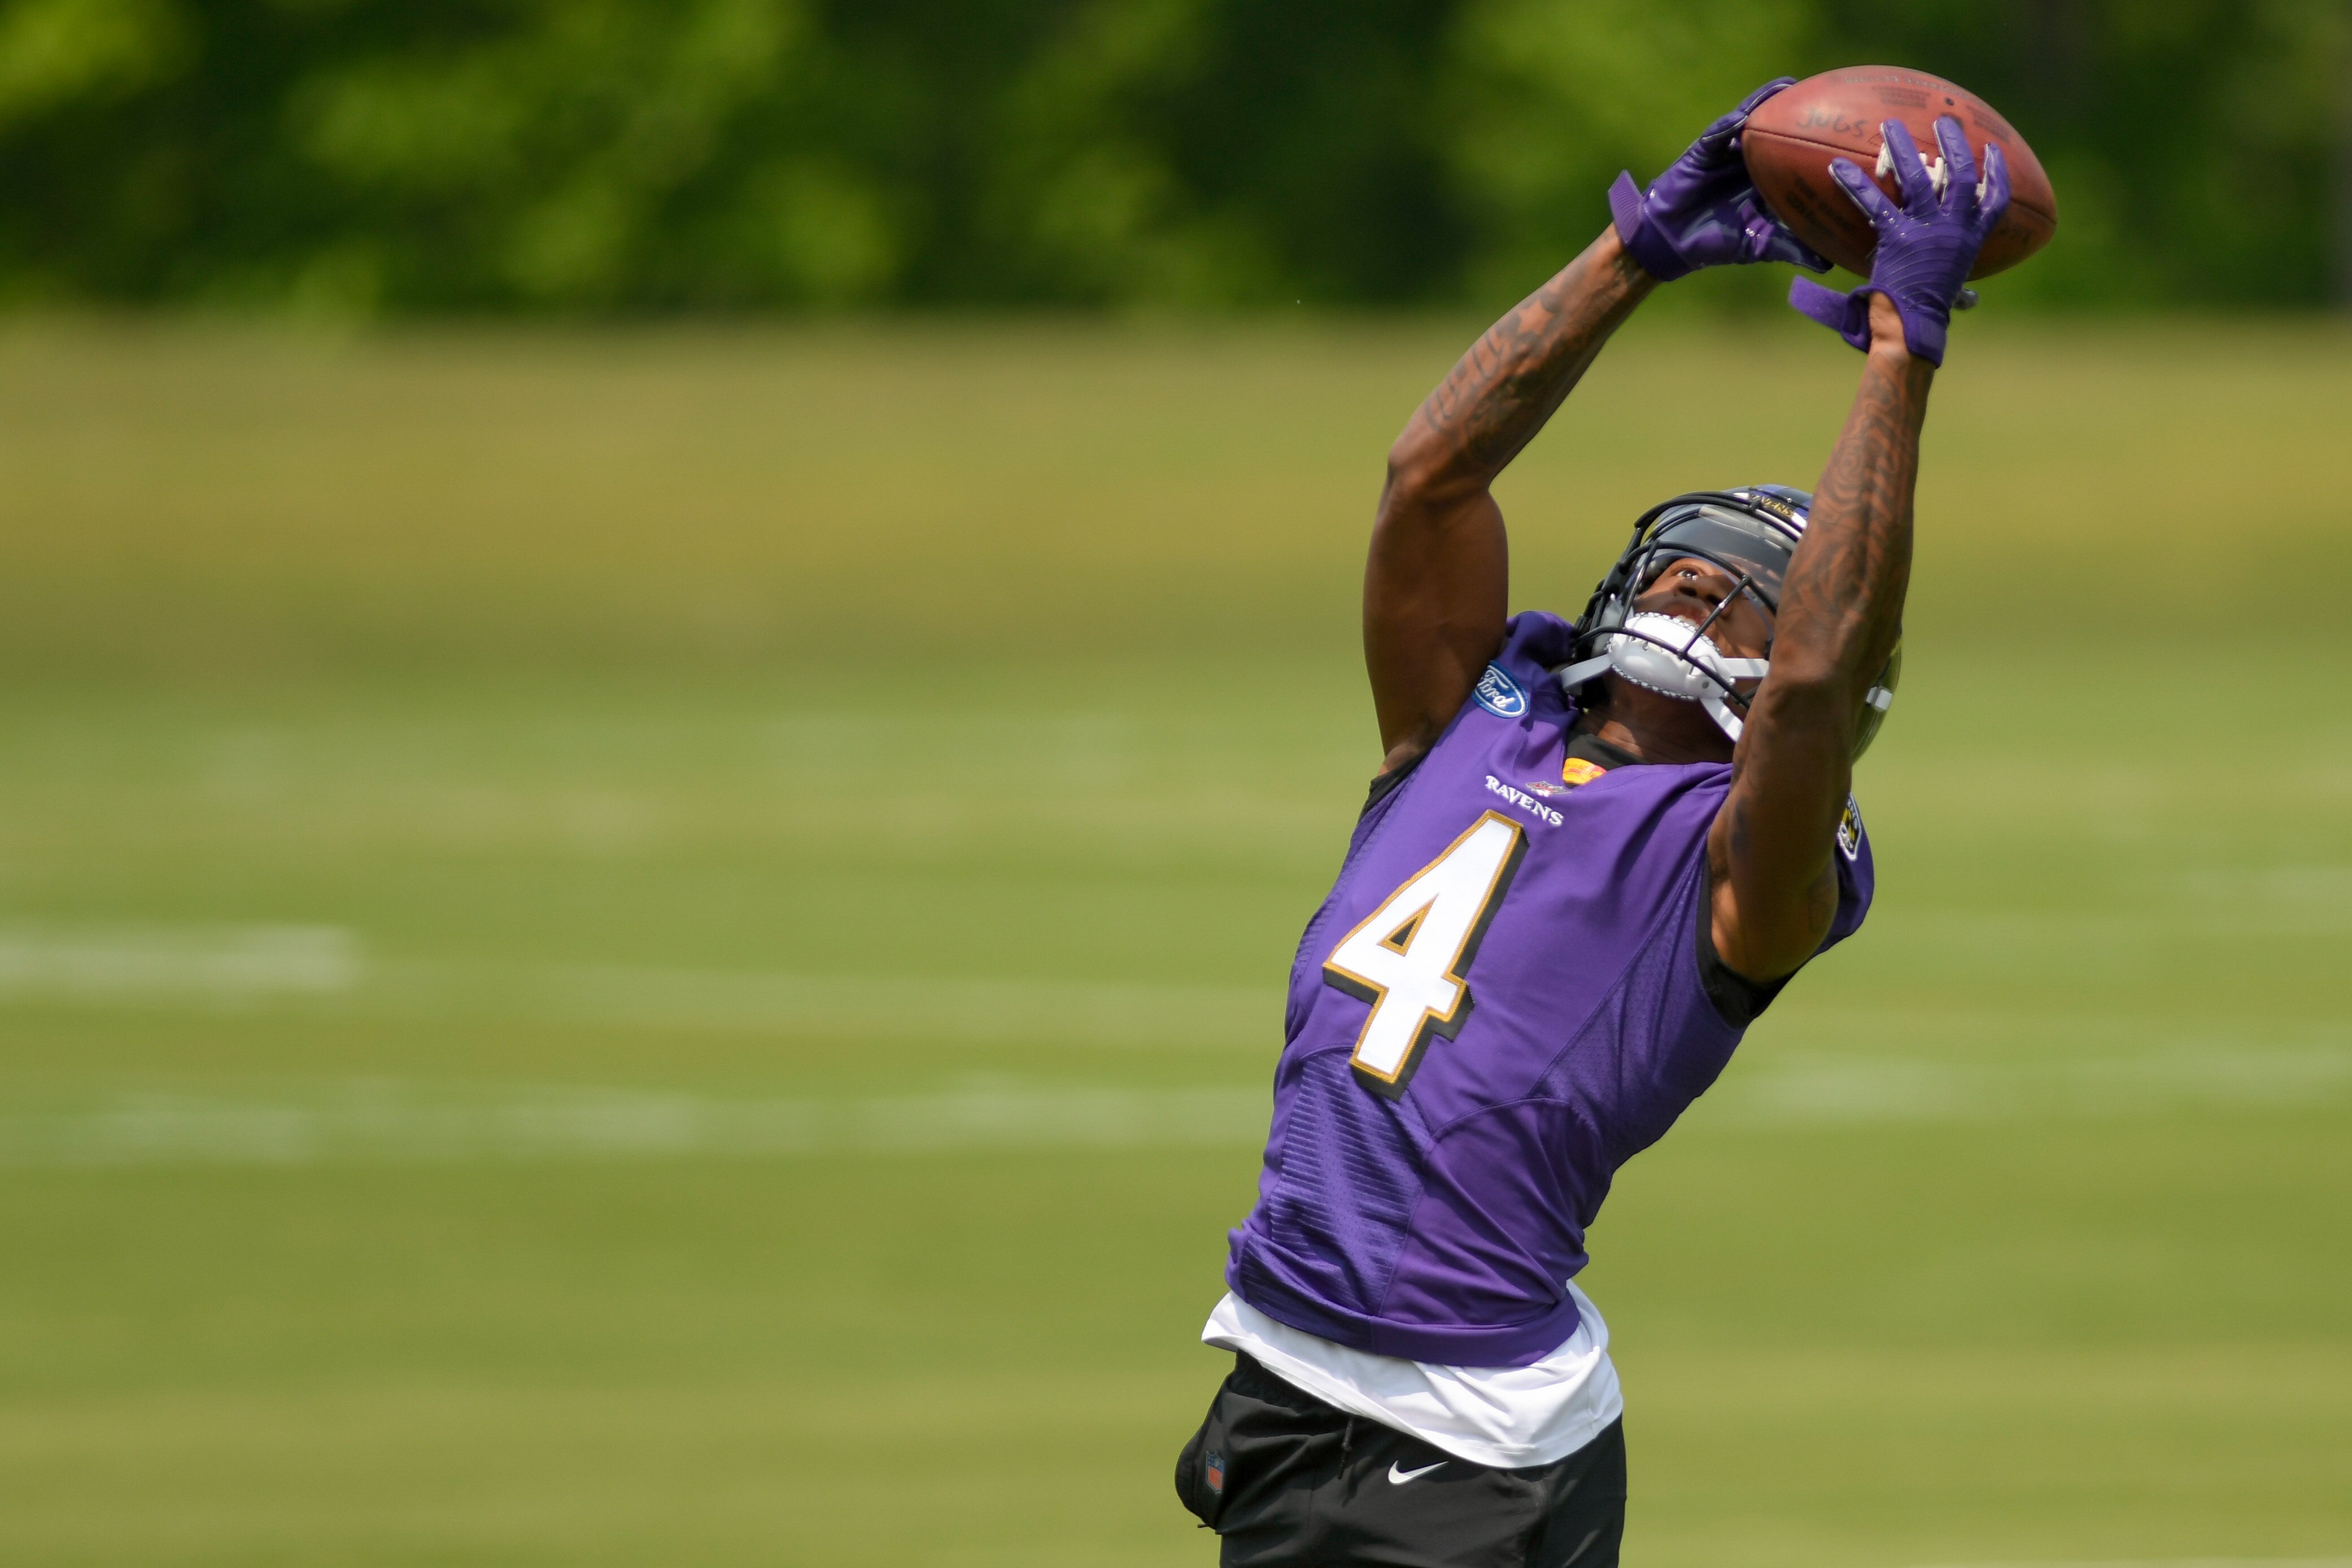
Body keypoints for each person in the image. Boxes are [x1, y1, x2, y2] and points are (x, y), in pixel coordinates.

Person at [1173, 82, 2010, 1567]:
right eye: (1689, 558)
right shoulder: (1471, 718)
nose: (1700, 583)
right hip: (1303, 1387)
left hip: (1447, 1442)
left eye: (1751, 583)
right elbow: (1430, 471)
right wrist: (1636, 255)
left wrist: (1901, 353)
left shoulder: (1742, 868)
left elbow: (1819, 678)